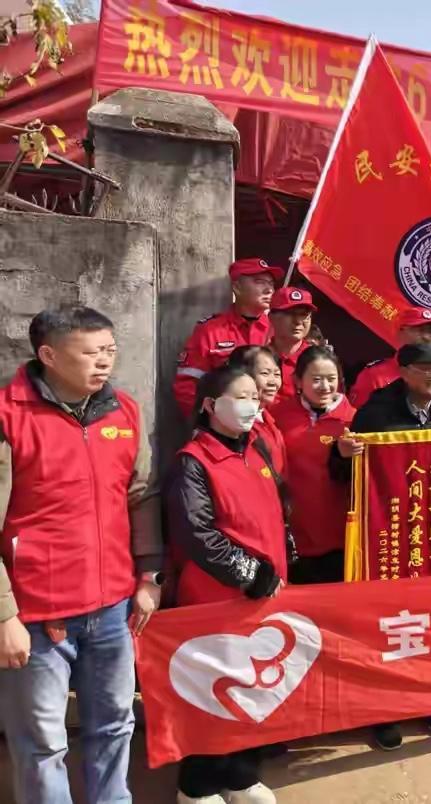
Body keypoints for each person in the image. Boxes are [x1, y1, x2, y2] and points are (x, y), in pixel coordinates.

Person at [0, 307, 161, 804]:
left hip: (113, 607)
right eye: (91, 352)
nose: (105, 361)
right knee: (43, 743)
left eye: (110, 350)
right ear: (49, 355)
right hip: (36, 615)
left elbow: (142, 495)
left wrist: (149, 573)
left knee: (115, 724)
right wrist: (4, 614)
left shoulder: (123, 410)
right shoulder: (8, 416)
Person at [329, 342, 431, 750]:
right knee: (386, 623)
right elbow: (342, 475)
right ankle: (382, 709)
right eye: (427, 368)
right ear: (403, 372)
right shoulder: (375, 413)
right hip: (388, 535)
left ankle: (430, 698)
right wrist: (343, 454)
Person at [166, 366, 286, 803]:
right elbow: (196, 534)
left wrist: (281, 560)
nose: (252, 405)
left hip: (264, 597)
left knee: (253, 688)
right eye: (241, 397)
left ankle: (241, 777)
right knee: (212, 692)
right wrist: (251, 573)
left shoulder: (257, 450)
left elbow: (276, 509)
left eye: (256, 396)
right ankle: (196, 786)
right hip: (215, 598)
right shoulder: (193, 461)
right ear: (210, 405)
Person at [274, 347, 355, 585]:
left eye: (331, 379)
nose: (325, 386)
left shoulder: (353, 420)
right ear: (298, 381)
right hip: (293, 533)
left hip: (339, 534)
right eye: (316, 379)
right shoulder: (277, 416)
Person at [173, 258, 283, 418]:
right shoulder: (210, 331)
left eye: (271, 283)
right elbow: (187, 386)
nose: (269, 289)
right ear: (237, 287)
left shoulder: (277, 329)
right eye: (259, 282)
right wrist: (213, 420)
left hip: (270, 423)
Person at [347, 307, 431, 408]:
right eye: (420, 330)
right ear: (400, 331)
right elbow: (357, 415)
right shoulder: (374, 376)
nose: (427, 337)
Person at [228, 346, 286, 476]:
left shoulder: (267, 418)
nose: (273, 382)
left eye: (277, 374)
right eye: (265, 373)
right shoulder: (234, 425)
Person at [267, 287, 317, 404]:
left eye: (304, 314)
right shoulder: (258, 358)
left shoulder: (318, 360)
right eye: (289, 314)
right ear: (271, 317)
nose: (298, 321)